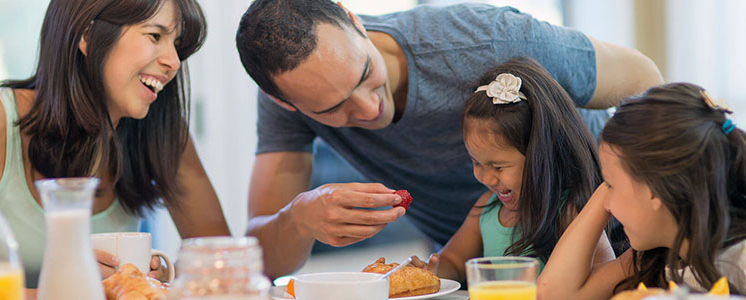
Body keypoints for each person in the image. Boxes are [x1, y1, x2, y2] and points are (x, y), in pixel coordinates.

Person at [235, 0, 663, 278]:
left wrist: (615, 195)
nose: (368, 110)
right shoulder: (283, 101)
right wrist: (298, 218)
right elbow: (261, 263)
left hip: (624, 243)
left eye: (365, 75)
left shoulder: (486, 40)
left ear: (355, 21)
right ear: (284, 102)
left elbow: (645, 79)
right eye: (332, 110)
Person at [0, 0, 230, 290]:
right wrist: (70, 290)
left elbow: (225, 266)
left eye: (177, 45)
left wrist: (161, 280)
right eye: (154, 35)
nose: (173, 62)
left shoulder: (161, 132)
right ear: (88, 34)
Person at [539, 83, 746, 299]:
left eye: (610, 186)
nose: (607, 205)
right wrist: (609, 185)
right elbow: (555, 294)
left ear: (655, 191)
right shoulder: (659, 256)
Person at [409, 57, 615, 283]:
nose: (485, 177)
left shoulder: (567, 213)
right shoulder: (487, 208)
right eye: (476, 162)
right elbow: (454, 261)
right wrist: (433, 271)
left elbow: (606, 274)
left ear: (540, 156)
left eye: (498, 166)